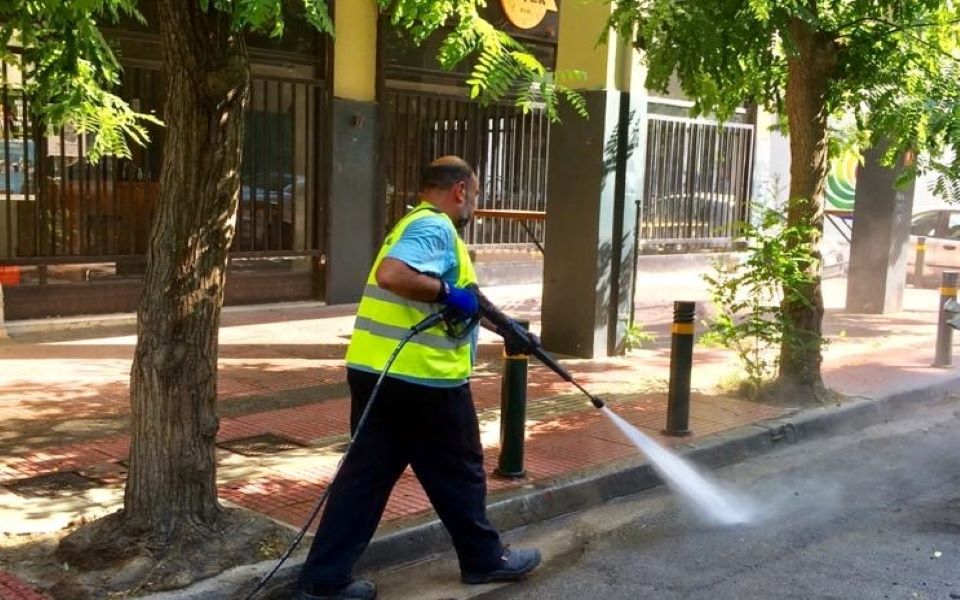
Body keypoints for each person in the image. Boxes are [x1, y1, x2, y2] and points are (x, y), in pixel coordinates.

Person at [295, 156, 542, 600]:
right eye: (477, 195)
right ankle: (484, 560)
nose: (476, 208)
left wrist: (506, 326)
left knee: (365, 479)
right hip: (422, 381)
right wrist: (449, 293)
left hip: (377, 372)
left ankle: (323, 580)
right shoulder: (435, 228)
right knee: (461, 472)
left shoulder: (411, 224)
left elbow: (465, 298)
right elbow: (397, 277)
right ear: (461, 191)